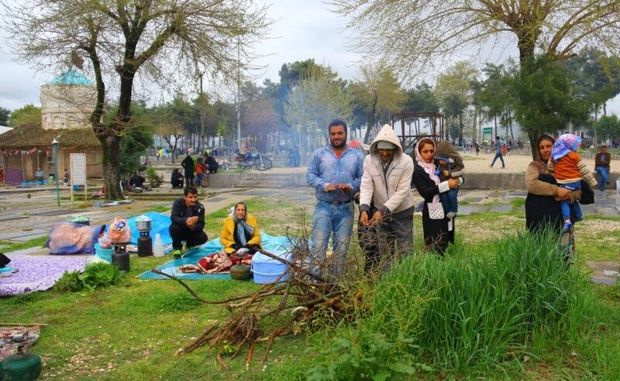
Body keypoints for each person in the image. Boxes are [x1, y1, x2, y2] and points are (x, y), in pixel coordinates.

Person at [306, 119, 364, 276]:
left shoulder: (357, 156)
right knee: (318, 247)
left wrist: (351, 186)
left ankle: (335, 286)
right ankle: (314, 284)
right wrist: (323, 184)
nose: (336, 136)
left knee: (342, 250)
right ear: (329, 135)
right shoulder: (320, 154)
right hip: (323, 206)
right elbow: (310, 176)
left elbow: (364, 178)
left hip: (346, 208)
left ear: (346, 133)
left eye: (340, 133)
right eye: (333, 134)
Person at [358, 124, 414, 273]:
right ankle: (387, 282)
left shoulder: (406, 161)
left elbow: (402, 191)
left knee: (405, 250)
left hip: (402, 212)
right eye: (381, 149)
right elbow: (366, 185)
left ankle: (407, 280)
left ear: (395, 148)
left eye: (388, 150)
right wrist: (364, 208)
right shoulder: (369, 160)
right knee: (385, 252)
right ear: (376, 147)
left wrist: (383, 210)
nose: (384, 153)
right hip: (380, 213)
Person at [411, 138, 459, 254]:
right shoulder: (418, 170)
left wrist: (458, 180)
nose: (429, 154)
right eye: (425, 151)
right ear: (419, 152)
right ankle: (435, 269)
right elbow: (426, 192)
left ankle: (445, 268)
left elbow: (457, 172)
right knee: (435, 242)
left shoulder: (440, 163)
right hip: (433, 210)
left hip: (446, 207)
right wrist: (447, 185)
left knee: (445, 238)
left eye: (432, 151)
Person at [525, 134, 580, 234]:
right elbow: (531, 184)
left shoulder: (569, 165)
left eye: (549, 146)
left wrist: (569, 195)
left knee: (564, 249)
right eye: (542, 147)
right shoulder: (535, 166)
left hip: (563, 221)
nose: (545, 150)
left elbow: (580, 190)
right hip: (540, 220)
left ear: (556, 146)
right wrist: (557, 190)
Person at [547, 134, 597, 231]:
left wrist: (553, 171)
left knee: (564, 200)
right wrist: (592, 181)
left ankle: (567, 221)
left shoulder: (555, 155)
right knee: (572, 200)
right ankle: (579, 215)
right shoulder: (575, 155)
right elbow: (584, 170)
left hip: (564, 182)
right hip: (576, 182)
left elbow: (549, 167)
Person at [169, 186, 208, 257]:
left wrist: (193, 227)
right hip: (180, 229)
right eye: (190, 197)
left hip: (191, 231)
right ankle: (177, 248)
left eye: (195, 197)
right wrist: (186, 220)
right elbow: (173, 218)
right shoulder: (178, 203)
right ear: (185, 197)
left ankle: (189, 245)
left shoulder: (200, 207)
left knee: (203, 237)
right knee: (173, 227)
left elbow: (201, 224)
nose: (193, 200)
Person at [434, 141, 465, 219]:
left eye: (442, 160)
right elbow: (439, 171)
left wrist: (450, 173)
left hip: (453, 184)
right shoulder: (439, 165)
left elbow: (461, 171)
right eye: (439, 160)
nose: (441, 162)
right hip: (443, 185)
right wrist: (437, 173)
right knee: (443, 196)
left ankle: (453, 210)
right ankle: (447, 211)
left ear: (448, 159)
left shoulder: (455, 164)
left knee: (451, 195)